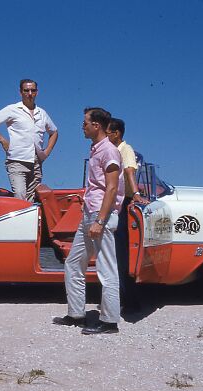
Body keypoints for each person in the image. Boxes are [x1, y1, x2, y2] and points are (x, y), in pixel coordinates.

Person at [53, 107, 124, 335]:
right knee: (73, 263)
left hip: (100, 216)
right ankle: (76, 315)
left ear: (96, 125)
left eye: (85, 123)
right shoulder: (95, 150)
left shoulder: (109, 152)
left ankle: (110, 322)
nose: (82, 126)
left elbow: (112, 188)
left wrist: (100, 221)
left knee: (106, 268)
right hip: (90, 213)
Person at [0, 79, 58, 202]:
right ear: (20, 92)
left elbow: (54, 132)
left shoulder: (42, 113)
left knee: (32, 200)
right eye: (26, 90)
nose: (29, 93)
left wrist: (47, 151)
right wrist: (2, 140)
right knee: (20, 196)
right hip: (17, 160)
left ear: (37, 92)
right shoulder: (12, 109)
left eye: (33, 90)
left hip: (36, 162)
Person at [106, 118, 146, 310]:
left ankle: (131, 301)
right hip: (116, 202)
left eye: (108, 132)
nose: (106, 135)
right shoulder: (113, 150)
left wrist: (136, 193)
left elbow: (130, 171)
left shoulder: (125, 149)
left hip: (124, 203)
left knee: (122, 255)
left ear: (117, 133)